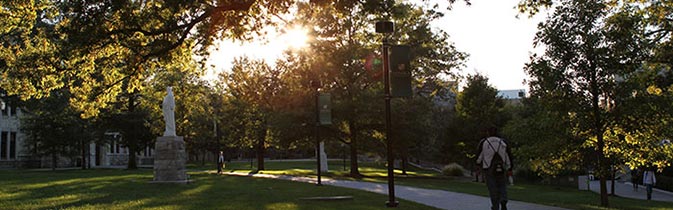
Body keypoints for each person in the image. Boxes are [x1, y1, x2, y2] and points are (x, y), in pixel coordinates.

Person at [477, 127, 514, 210]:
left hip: (489, 167)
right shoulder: (503, 142)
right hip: (501, 167)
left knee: (492, 188)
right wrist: (510, 167)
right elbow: (508, 155)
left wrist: (478, 165)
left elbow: (479, 156)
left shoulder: (484, 142)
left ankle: (495, 206)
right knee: (502, 185)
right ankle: (503, 199)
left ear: (488, 132)